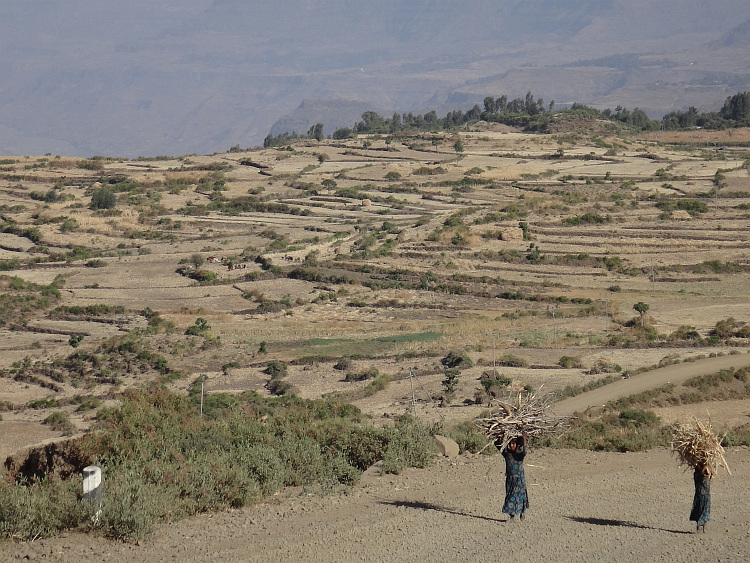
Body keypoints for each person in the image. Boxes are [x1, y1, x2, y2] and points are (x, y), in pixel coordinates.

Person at [500, 430, 529, 521]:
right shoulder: (507, 454)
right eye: (511, 444)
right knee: (510, 496)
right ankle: (512, 516)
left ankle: (522, 512)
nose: (512, 445)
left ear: (517, 445)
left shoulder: (520, 455)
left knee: (520, 496)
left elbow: (525, 451)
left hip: (519, 479)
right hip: (510, 479)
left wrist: (524, 439)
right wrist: (502, 436)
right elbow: (498, 446)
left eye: (514, 444)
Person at [690, 464, 711, 533]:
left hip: (704, 495)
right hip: (700, 494)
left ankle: (702, 525)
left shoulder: (707, 469)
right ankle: (699, 525)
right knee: (700, 504)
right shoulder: (698, 470)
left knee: (704, 504)